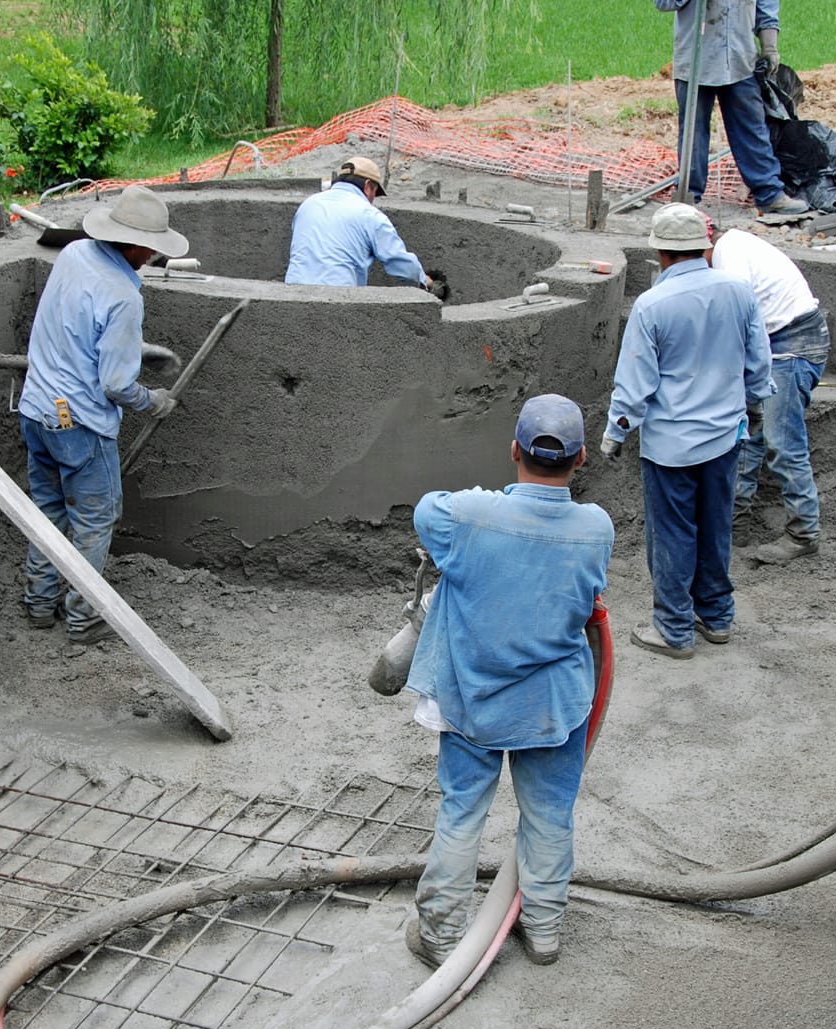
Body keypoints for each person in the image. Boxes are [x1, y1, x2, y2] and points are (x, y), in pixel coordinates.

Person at [403, 394, 614, 969]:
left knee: (461, 812)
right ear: (581, 459)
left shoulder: (466, 518)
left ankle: (443, 936)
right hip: (553, 707)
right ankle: (543, 931)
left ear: (514, 449)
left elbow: (428, 509)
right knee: (549, 816)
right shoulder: (596, 528)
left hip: (473, 699)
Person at [600, 203, 771, 658]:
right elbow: (758, 363)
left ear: (660, 253)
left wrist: (616, 431)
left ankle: (674, 628)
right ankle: (716, 617)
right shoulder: (739, 292)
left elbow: (635, 381)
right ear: (703, 246)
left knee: (673, 532)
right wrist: (753, 403)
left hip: (671, 446)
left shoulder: (652, 305)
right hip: (724, 438)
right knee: (715, 525)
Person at [17, 185, 185, 644]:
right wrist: (152, 401)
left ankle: (37, 603)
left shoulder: (73, 255)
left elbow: (77, 328)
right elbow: (114, 385)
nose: (152, 255)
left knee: (48, 510)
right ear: (131, 243)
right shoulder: (124, 297)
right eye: (149, 247)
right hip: (78, 425)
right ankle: (84, 617)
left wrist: (135, 351)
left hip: (38, 408)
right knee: (95, 519)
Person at [710, 223, 831, 563]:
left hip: (793, 344)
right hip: (775, 339)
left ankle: (803, 534)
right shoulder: (728, 250)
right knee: (748, 430)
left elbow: (739, 320)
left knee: (783, 440)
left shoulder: (728, 255)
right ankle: (735, 527)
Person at [654, 0, 809, 215]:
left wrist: (769, 45)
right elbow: (663, 3)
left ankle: (769, 194)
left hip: (740, 59)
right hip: (695, 60)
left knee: (752, 128)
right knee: (693, 134)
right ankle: (688, 197)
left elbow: (766, 4)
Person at [285, 156, 433, 290]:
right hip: (337, 299)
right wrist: (424, 281)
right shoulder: (369, 215)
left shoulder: (308, 205)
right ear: (368, 186)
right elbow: (400, 262)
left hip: (292, 297)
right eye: (375, 193)